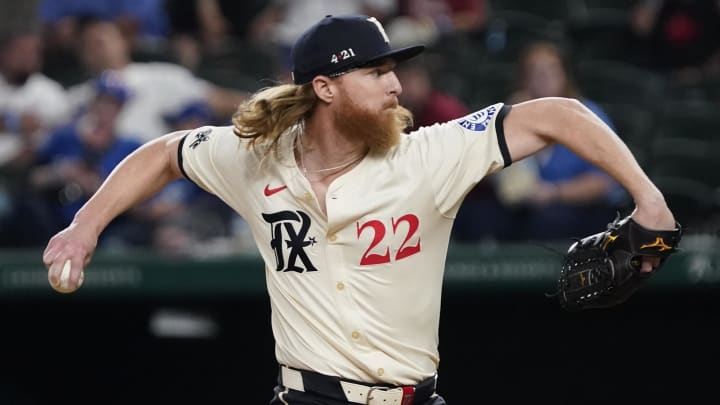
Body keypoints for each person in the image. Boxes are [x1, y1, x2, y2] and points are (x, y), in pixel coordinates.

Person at [42, 14, 678, 404]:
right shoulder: (253, 159)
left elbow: (559, 115)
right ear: (325, 87)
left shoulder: (429, 154)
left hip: (410, 397)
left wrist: (649, 200)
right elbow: (164, 154)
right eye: (376, 72)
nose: (396, 83)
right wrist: (84, 225)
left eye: (392, 69)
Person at [501, 40, 629, 241]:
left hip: (584, 207)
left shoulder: (588, 116)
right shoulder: (514, 115)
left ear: (564, 76)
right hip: (528, 204)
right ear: (523, 79)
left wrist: (554, 193)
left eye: (550, 71)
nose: (542, 79)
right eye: (534, 72)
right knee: (481, 217)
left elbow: (604, 181)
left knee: (548, 220)